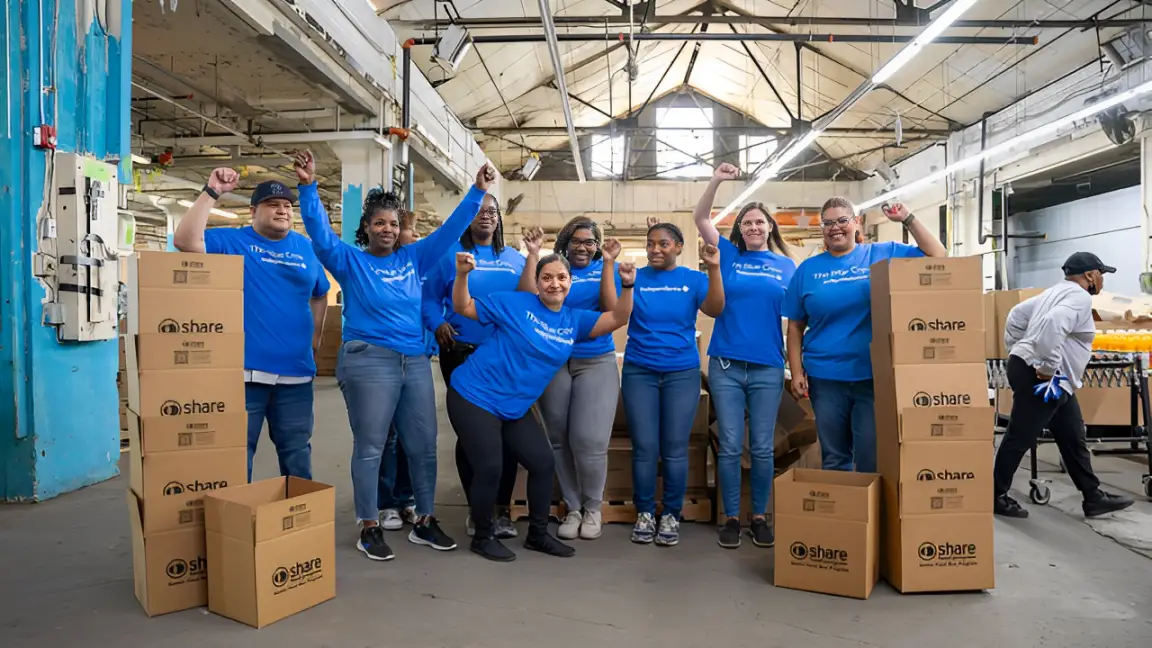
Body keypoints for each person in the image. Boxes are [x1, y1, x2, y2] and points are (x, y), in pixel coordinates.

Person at [296, 150, 496, 562]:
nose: (387, 229)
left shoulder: (413, 258)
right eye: (378, 223)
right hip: (369, 360)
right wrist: (308, 187)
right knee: (371, 445)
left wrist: (477, 192)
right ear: (366, 229)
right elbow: (318, 232)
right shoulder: (350, 260)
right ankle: (369, 525)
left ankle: (424, 520)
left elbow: (448, 230)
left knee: (423, 444)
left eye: (392, 223)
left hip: (414, 362)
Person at [447, 237, 636, 562]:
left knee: (542, 462)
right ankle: (482, 534)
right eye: (547, 277)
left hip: (513, 407)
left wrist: (628, 286)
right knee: (490, 465)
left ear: (570, 283)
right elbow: (464, 307)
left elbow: (618, 318)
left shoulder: (573, 320)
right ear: (536, 282)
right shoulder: (515, 303)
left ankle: (537, 535)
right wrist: (462, 276)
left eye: (561, 278)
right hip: (474, 395)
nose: (555, 283)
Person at [173, 168, 329, 482]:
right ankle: (235, 523)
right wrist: (212, 191)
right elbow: (185, 241)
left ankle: (299, 522)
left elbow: (320, 294)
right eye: (273, 204)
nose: (282, 209)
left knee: (297, 452)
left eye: (287, 205)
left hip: (296, 375)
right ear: (253, 211)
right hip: (245, 374)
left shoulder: (306, 248)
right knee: (238, 452)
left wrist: (315, 337)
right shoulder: (233, 241)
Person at [783, 199, 947, 474]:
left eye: (842, 221)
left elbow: (938, 256)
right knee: (835, 458)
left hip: (871, 376)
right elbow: (795, 326)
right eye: (828, 223)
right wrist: (797, 372)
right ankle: (846, 516)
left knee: (872, 457)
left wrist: (908, 218)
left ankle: (868, 516)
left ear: (856, 222)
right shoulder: (807, 271)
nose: (835, 228)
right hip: (826, 377)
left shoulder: (881, 254)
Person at [691, 163, 796, 549]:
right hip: (726, 365)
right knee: (732, 444)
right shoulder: (728, 255)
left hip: (768, 365)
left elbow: (798, 318)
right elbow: (700, 217)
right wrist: (717, 180)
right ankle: (732, 517)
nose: (753, 227)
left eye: (759, 222)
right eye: (747, 222)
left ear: (770, 228)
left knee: (763, 446)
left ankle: (760, 517)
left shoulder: (787, 267)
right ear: (740, 230)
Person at [994, 252, 1135, 519]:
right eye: (1101, 275)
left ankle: (1093, 497)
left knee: (1072, 434)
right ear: (1090, 275)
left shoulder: (1055, 292)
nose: (1102, 281)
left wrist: (1018, 349)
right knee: (1020, 435)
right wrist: (1045, 365)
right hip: (1044, 379)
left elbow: (1016, 315)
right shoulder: (1079, 297)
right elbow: (1053, 324)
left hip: (1051, 379)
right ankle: (995, 495)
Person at [422, 194, 525, 539]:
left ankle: (501, 508)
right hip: (461, 354)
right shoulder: (450, 256)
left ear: (499, 219)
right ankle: (476, 509)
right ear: (468, 218)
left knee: (506, 435)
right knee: (472, 435)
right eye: (480, 212)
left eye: (492, 212)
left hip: (504, 358)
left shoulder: (515, 260)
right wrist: (437, 322)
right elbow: (428, 297)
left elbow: (529, 302)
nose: (486, 217)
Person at [623, 222, 725, 547]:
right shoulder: (635, 278)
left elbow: (715, 308)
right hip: (640, 370)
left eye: (663, 244)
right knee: (644, 447)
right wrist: (619, 277)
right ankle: (644, 512)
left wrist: (714, 269)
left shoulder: (694, 280)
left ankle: (670, 513)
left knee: (675, 448)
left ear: (678, 247)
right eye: (650, 243)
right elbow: (616, 309)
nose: (655, 249)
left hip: (681, 371)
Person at [539, 216, 623, 541]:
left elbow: (610, 309)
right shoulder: (555, 269)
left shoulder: (606, 269)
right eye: (577, 241)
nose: (583, 247)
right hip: (555, 361)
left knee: (590, 442)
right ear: (565, 242)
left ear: (597, 246)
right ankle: (572, 507)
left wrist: (609, 264)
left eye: (590, 242)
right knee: (558, 438)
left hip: (596, 359)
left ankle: (593, 507)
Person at [377, 211, 421, 532]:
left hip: (413, 359)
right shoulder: (374, 267)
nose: (407, 237)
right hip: (378, 362)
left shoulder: (416, 270)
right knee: (385, 437)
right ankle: (385, 503)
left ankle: (405, 498)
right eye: (383, 224)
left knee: (410, 437)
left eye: (400, 229)